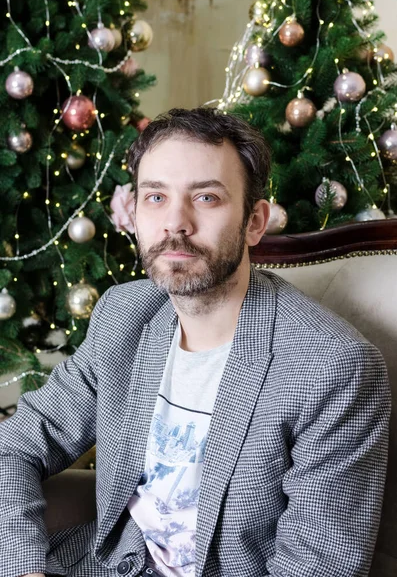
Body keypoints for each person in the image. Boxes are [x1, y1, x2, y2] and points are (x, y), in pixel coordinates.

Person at [0, 107, 391, 577]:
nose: (175, 223)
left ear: (254, 222)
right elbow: (16, 446)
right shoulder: (125, 314)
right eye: (156, 197)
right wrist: (24, 567)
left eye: (205, 198)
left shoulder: (332, 367)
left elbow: (317, 567)